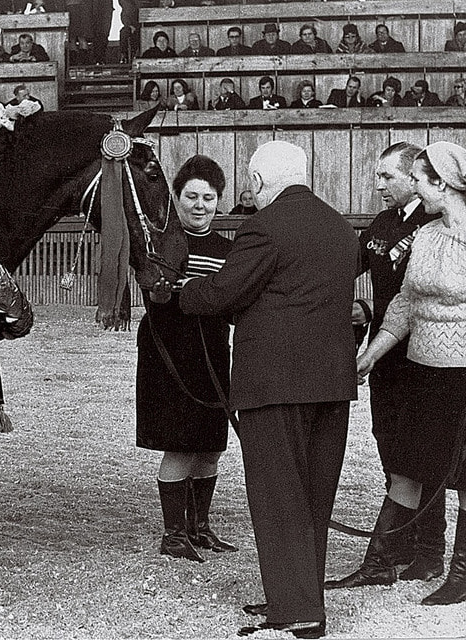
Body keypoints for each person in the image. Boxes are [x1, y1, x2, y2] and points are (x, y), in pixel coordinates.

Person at [180, 140, 358, 639]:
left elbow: (225, 292)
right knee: (312, 498)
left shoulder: (264, 225)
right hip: (331, 384)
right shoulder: (341, 227)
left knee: (279, 497)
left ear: (258, 182)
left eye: (249, 185)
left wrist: (182, 291)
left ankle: (298, 610)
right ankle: (299, 596)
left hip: (274, 384)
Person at [334, 141, 466, 608]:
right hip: (419, 367)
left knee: (463, 470)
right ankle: (383, 562)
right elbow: (404, 303)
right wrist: (371, 353)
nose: (407, 184)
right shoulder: (425, 235)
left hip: (461, 374)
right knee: (408, 461)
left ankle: (461, 572)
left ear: (439, 183)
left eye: (419, 178)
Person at [138, 155, 236, 564]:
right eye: (191, 196)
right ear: (176, 198)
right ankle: (173, 534)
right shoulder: (160, 246)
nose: (200, 205)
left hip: (212, 355)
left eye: (208, 198)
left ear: (219, 202)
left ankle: (199, 526)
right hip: (169, 355)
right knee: (179, 445)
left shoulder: (230, 250)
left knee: (210, 447)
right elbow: (157, 299)